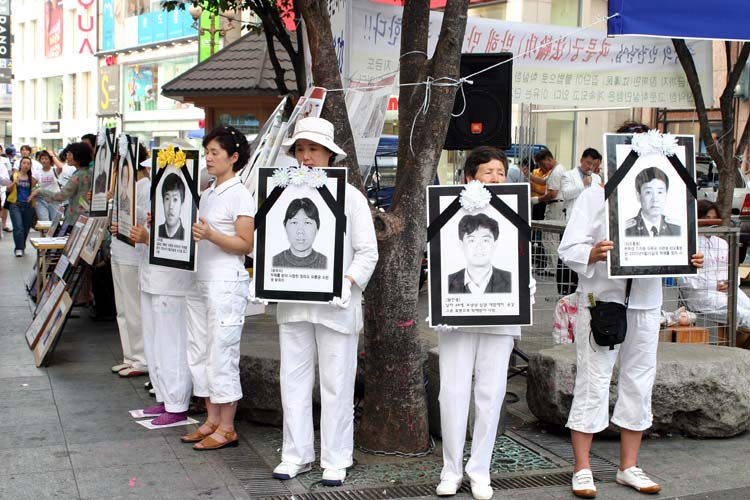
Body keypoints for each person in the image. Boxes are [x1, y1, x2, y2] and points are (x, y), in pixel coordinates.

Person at [559, 178, 703, 499]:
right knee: (593, 380)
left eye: (659, 190)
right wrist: (593, 253)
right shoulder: (594, 196)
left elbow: (678, 249)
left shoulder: (673, 209)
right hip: (603, 302)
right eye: (647, 190)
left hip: (647, 303)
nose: (654, 196)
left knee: (640, 380)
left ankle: (629, 466)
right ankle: (582, 468)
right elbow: (568, 248)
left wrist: (690, 259)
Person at [269, 117, 378, 486]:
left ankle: (336, 457)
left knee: (337, 384)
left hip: (336, 307)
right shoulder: (280, 193)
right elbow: (267, 242)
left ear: (330, 154)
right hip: (293, 305)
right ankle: (295, 455)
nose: (306, 156)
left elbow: (368, 252)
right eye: (300, 149)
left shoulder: (351, 197)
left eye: (313, 149)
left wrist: (347, 281)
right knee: (292, 381)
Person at [434, 145, 535, 500]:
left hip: (500, 317)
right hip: (456, 319)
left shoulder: (515, 211)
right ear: (468, 178)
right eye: (488, 172)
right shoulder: (449, 210)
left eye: (501, 173)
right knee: (452, 393)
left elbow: (522, 259)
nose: (495, 178)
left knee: (490, 395)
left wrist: (524, 292)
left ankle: (480, 470)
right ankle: (450, 469)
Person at [180, 126, 254, 451]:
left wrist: (211, 235)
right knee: (199, 349)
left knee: (222, 352)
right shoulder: (208, 192)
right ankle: (211, 419)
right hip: (200, 279)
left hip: (225, 282)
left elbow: (245, 244)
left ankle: (227, 427)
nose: (208, 158)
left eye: (215, 153)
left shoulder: (240, 194)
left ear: (233, 157)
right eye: (206, 152)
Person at [128, 149, 195, 426]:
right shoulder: (156, 201)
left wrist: (149, 238)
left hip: (172, 284)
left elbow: (181, 245)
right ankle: (164, 396)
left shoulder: (193, 200)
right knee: (154, 342)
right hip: (151, 279)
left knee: (172, 344)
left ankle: (177, 403)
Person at [679, 200, 750, 328]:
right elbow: (684, 280)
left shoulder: (721, 243)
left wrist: (731, 282)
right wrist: (713, 284)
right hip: (701, 295)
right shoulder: (688, 244)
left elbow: (732, 270)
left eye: (714, 218)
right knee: (742, 314)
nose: (711, 222)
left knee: (747, 308)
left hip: (727, 290)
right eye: (707, 218)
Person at [557, 148, 603, 295]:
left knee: (587, 255)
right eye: (588, 163)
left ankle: (581, 289)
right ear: (581, 160)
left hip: (590, 222)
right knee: (568, 254)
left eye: (593, 164)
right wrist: (583, 184)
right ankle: (564, 289)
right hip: (571, 220)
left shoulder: (597, 178)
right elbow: (566, 194)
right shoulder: (568, 175)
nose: (590, 167)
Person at [28, 142, 93, 225]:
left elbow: (61, 196)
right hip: (86, 216)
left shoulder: (77, 176)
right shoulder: (90, 172)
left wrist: (40, 191)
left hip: (76, 218)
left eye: (70, 154)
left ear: (78, 156)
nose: (67, 156)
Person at [448, 213, 511, 294]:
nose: (479, 247)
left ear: (495, 244)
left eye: (485, 240)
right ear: (461, 245)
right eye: (471, 240)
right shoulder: (446, 282)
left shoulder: (512, 281)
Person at [534, 148, 566, 276]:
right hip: (556, 205)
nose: (542, 168)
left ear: (549, 159)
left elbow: (553, 193)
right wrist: (528, 176)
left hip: (555, 205)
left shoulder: (557, 172)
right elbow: (543, 181)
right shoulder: (556, 170)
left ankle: (552, 268)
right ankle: (552, 266)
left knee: (549, 237)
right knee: (551, 237)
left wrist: (538, 199)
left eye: (542, 164)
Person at [625, 166, 681, 237]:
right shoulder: (626, 230)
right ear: (638, 196)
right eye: (648, 192)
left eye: (660, 192)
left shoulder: (677, 229)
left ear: (666, 195)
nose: (655, 199)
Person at [273, 197, 327, 269]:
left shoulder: (327, 263)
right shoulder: (273, 262)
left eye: (307, 222)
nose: (300, 231)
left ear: (317, 228)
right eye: (294, 222)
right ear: (285, 226)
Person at [5, 156, 38, 256]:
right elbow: (8, 189)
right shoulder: (14, 176)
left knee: (26, 227)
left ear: (30, 166)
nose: (26, 165)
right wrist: (14, 183)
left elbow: (35, 189)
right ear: (20, 164)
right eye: (24, 163)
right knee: (18, 227)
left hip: (28, 205)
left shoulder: (31, 178)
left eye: (28, 163)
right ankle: (19, 248)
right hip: (15, 205)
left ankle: (22, 245)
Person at [33, 151, 61, 221]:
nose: (44, 161)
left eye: (46, 159)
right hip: (42, 200)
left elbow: (60, 167)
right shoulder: (37, 173)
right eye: (42, 159)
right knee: (44, 222)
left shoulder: (54, 170)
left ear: (50, 160)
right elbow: (32, 186)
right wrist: (35, 192)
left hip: (54, 199)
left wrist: (52, 155)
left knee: (55, 222)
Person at [157, 173, 185, 240]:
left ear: (182, 204)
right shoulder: (156, 231)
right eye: (167, 199)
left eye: (175, 199)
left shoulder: (187, 236)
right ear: (163, 202)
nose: (170, 206)